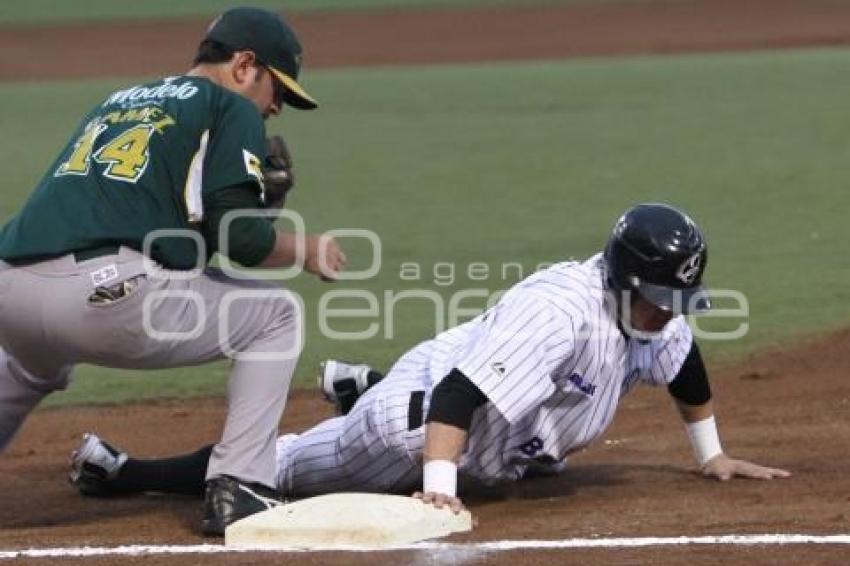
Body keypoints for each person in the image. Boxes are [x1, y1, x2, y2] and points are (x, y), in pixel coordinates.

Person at [69, 203, 790, 515]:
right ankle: (121, 471)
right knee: (278, 470)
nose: (668, 311)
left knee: (527, 453)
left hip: (504, 435)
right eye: (660, 296)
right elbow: (455, 394)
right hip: (414, 429)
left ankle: (363, 381)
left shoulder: (651, 314)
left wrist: (711, 453)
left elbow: (683, 363)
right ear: (625, 280)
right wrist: (438, 490)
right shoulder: (560, 314)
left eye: (676, 296)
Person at [0, 7, 347, 536]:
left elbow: (168, 225)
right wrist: (304, 248)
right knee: (276, 315)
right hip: (102, 297)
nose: (277, 105)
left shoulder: (117, 102)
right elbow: (241, 241)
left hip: (10, 290)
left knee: (34, 366)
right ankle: (241, 486)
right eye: (277, 86)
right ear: (244, 65)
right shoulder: (230, 108)